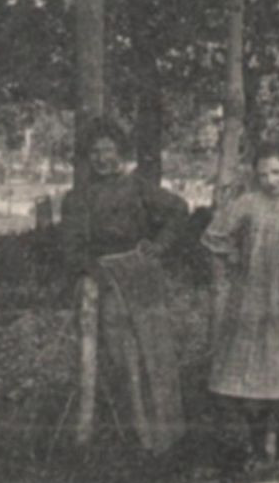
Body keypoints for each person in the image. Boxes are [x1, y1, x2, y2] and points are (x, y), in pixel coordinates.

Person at [60, 117, 190, 453]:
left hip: (140, 279)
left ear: (120, 152)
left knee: (152, 353)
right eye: (95, 152)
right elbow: (71, 249)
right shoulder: (76, 198)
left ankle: (161, 440)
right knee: (114, 358)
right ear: (86, 157)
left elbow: (178, 210)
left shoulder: (137, 186)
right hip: (100, 285)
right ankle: (116, 438)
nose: (103, 158)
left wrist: (158, 246)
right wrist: (94, 272)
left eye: (109, 150)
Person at [202, 140, 279, 480]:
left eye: (277, 172)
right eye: (263, 174)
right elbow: (214, 236)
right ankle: (259, 455)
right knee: (254, 385)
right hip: (251, 305)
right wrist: (231, 260)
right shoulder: (247, 205)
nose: (271, 180)